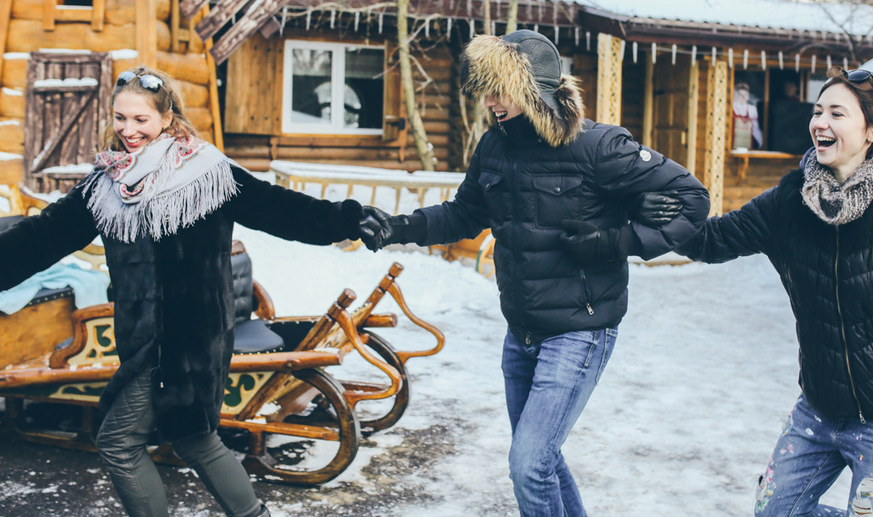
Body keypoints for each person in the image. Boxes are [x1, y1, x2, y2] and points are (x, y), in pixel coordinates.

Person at [358, 30, 710, 517]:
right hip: (521, 330)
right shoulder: (494, 147)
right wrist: (399, 227)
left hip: (580, 330)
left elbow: (692, 200)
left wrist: (615, 241)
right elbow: (463, 214)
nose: (490, 100)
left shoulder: (598, 146)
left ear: (533, 88)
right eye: (485, 87)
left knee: (528, 465)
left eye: (499, 87)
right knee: (541, 458)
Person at [0, 65, 365, 517]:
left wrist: (349, 220)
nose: (128, 131)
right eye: (120, 119)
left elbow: (280, 209)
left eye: (140, 120)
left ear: (168, 116)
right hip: (141, 339)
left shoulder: (207, 173)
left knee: (118, 442)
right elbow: (44, 235)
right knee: (195, 438)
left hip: (187, 339)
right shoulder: (107, 183)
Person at [675, 67, 873, 515]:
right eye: (817, 111)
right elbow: (710, 240)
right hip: (819, 409)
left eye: (836, 113)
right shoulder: (787, 204)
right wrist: (645, 201)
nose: (820, 123)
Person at [732, 81, 762, 150]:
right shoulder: (732, 108)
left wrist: (760, 142)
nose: (742, 97)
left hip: (747, 143)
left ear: (748, 96)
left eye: (745, 95)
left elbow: (755, 127)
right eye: (740, 94)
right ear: (736, 95)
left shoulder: (752, 109)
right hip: (733, 143)